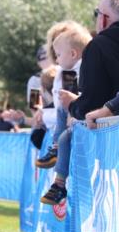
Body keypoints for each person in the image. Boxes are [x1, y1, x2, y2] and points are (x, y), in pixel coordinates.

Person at [40, 0, 119, 205]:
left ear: (104, 19)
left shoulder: (99, 46)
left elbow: (90, 103)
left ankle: (58, 183)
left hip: (111, 139)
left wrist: (72, 105)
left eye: (97, 14)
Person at [34, 23, 91, 169]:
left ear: (73, 52)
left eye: (59, 53)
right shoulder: (66, 70)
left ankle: (55, 151)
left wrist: (44, 115)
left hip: (78, 126)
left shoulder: (74, 71)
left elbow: (74, 102)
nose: (57, 58)